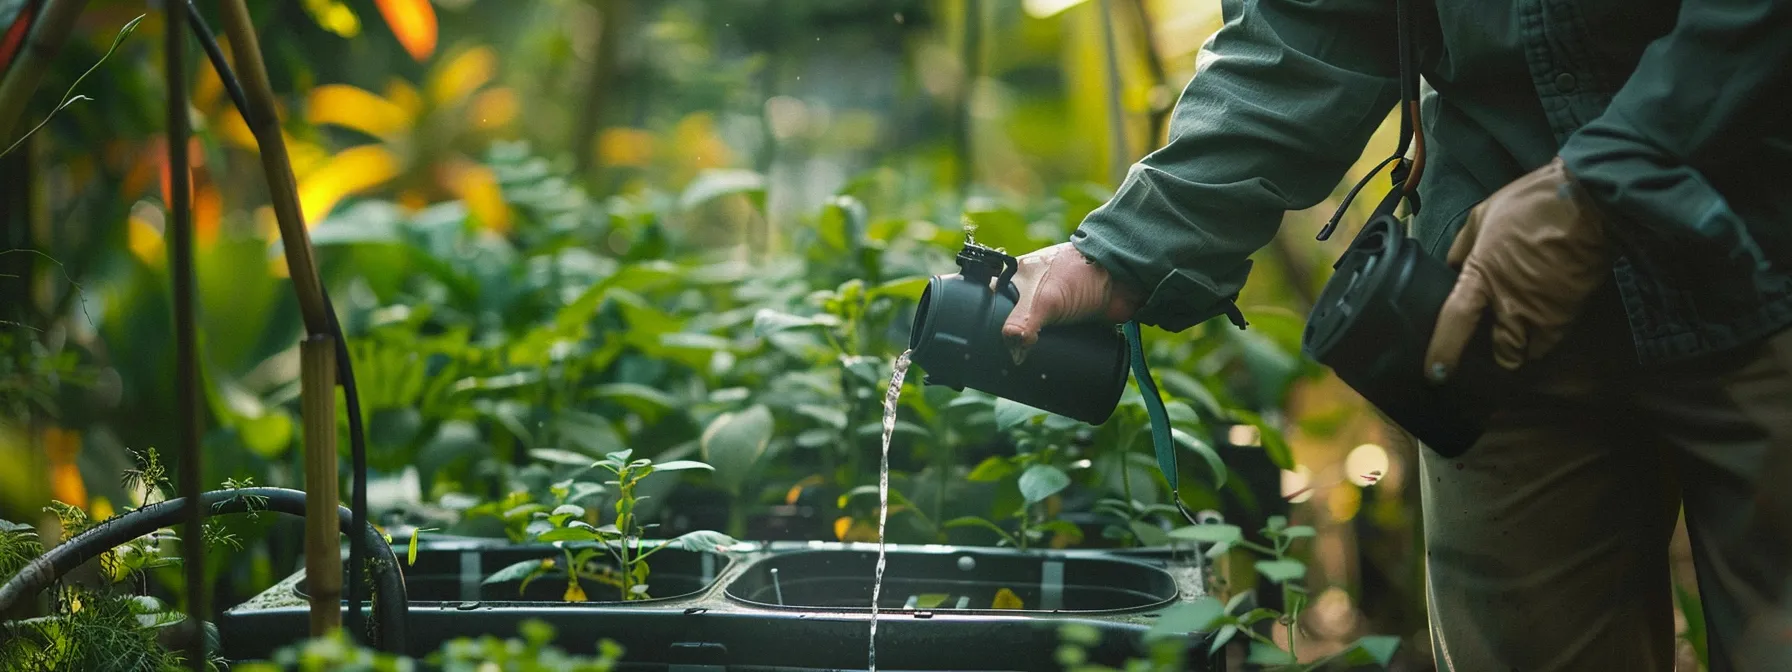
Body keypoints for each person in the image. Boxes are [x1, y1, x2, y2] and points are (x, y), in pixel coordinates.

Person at [996, 0, 1792, 669]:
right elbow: (1312, 23)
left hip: (1761, 231)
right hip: (1492, 288)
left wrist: (1603, 181)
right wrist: (1125, 251)